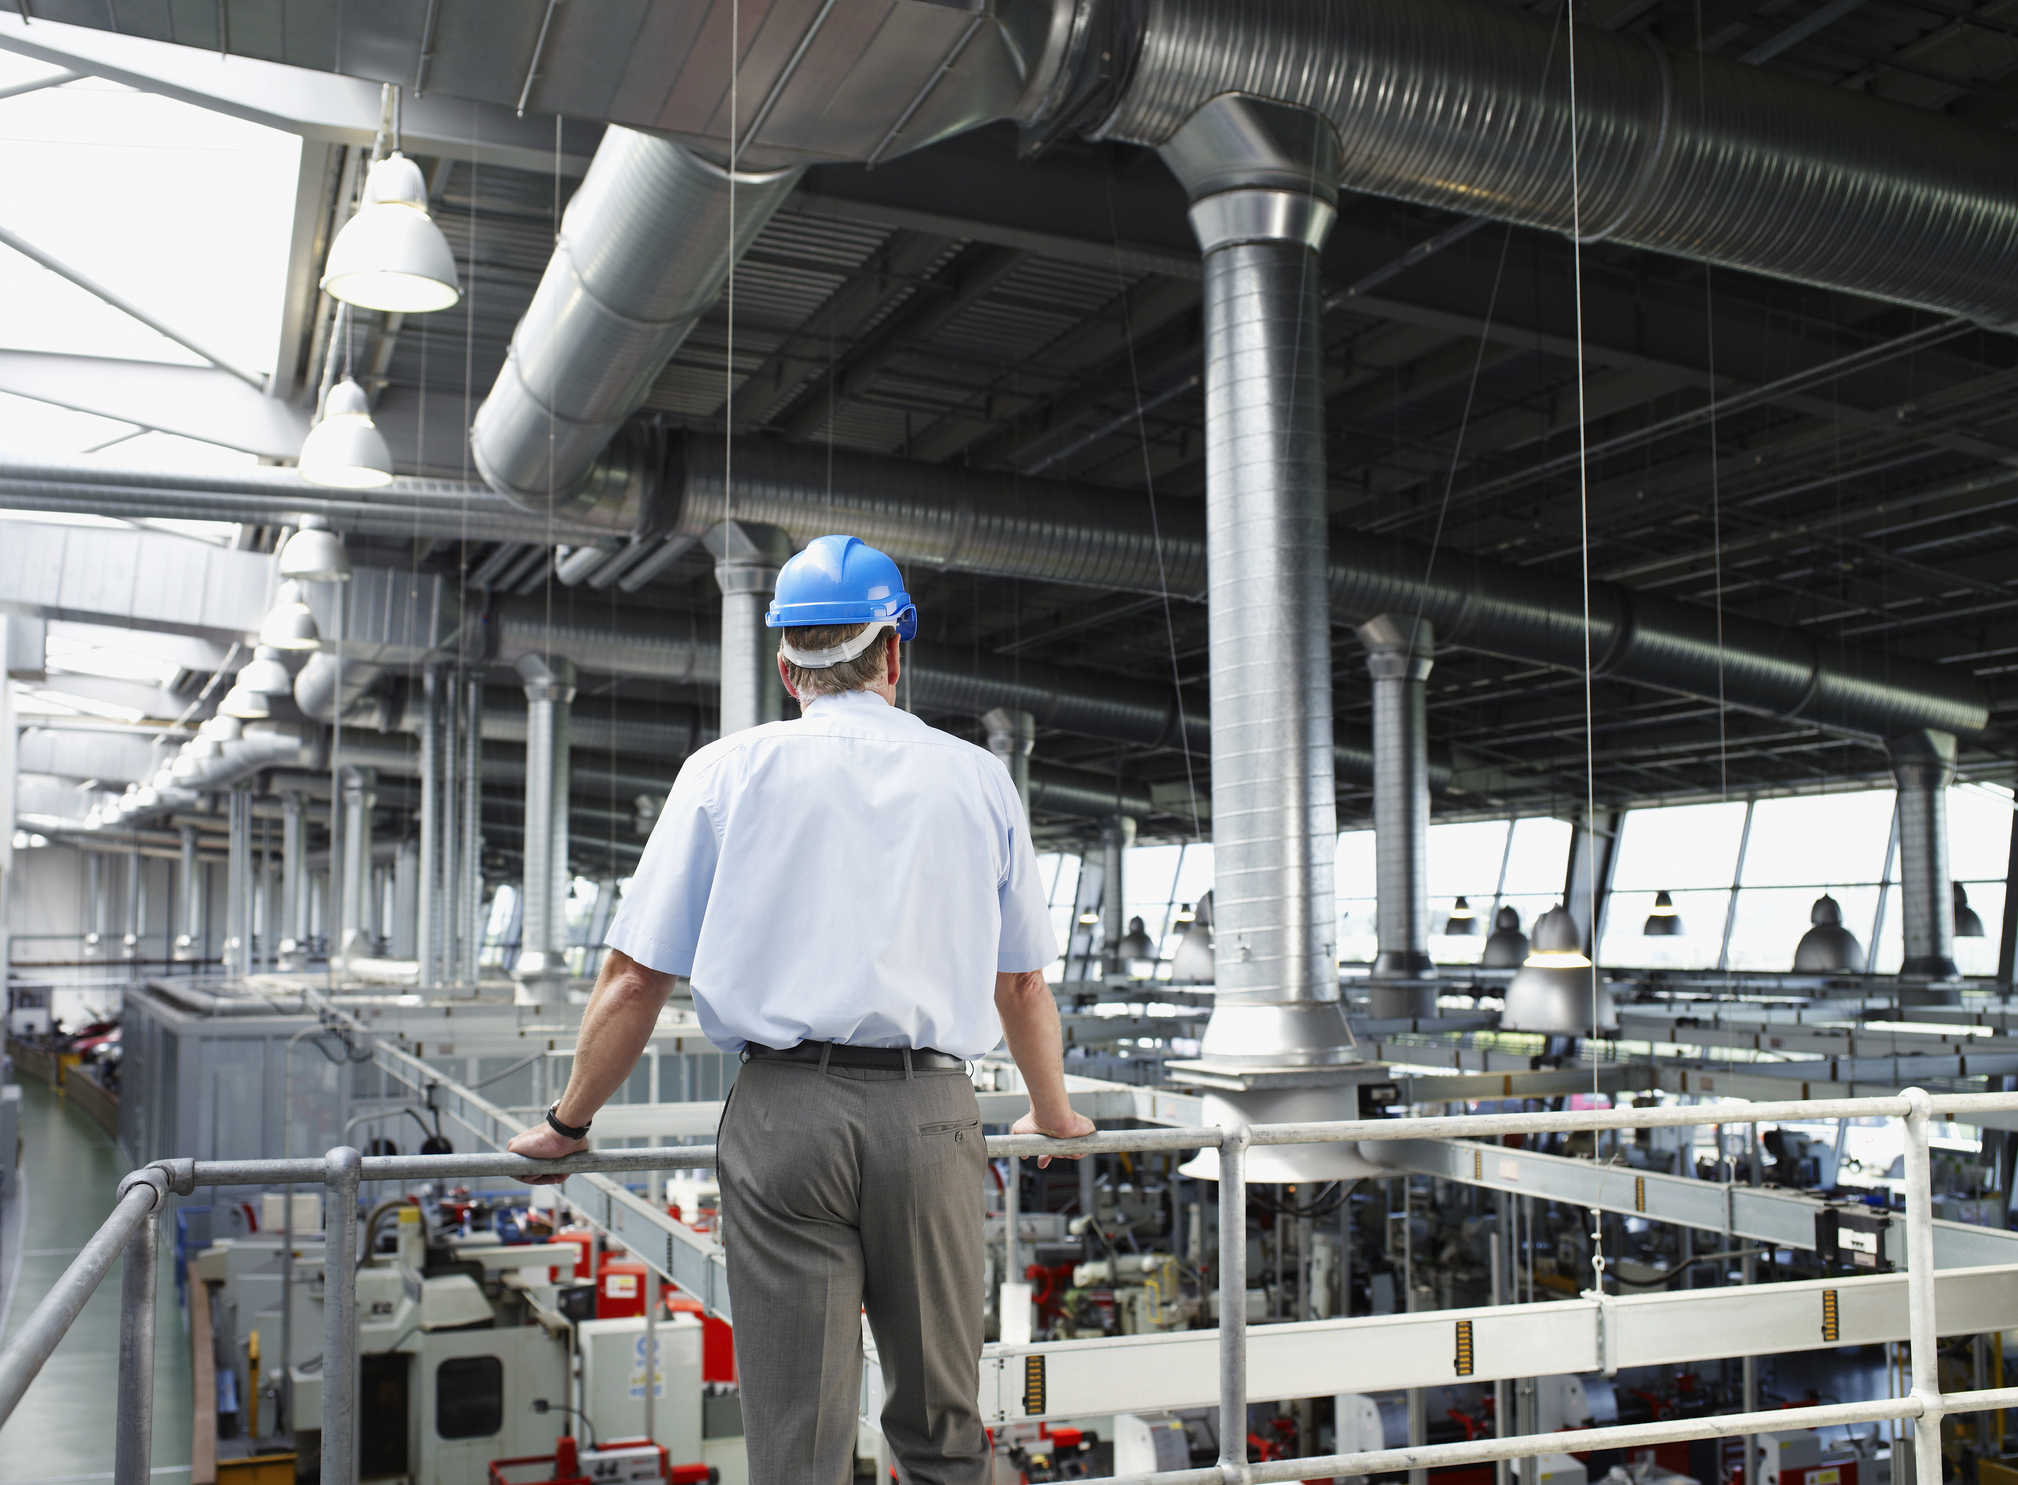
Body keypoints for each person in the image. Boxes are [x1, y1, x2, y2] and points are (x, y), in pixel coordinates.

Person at [507, 533, 1095, 1485]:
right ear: (895, 650)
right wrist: (1056, 1115)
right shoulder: (980, 778)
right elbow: (1022, 983)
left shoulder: (723, 772)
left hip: (785, 1117)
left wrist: (569, 1121)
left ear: (787, 667)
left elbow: (633, 979)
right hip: (930, 1118)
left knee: (798, 1436)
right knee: (946, 1423)